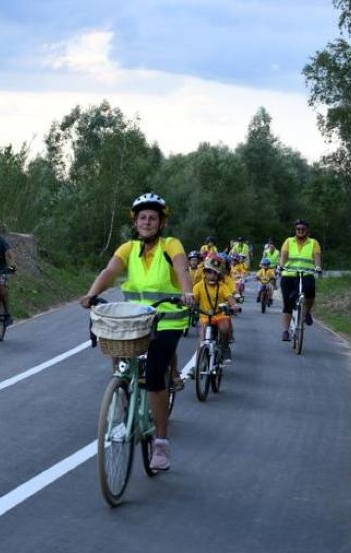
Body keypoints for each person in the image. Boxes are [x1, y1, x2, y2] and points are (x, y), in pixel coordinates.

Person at [80, 193, 194, 471]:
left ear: (161, 222)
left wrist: (187, 291)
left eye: (152, 218)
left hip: (168, 319)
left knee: (154, 374)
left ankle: (162, 443)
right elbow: (109, 271)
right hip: (136, 321)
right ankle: (124, 410)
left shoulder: (171, 245)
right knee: (120, 362)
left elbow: (181, 267)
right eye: (142, 217)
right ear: (135, 222)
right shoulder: (128, 248)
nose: (147, 222)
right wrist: (92, 294)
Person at [277, 219, 322, 341]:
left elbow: (317, 256)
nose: (300, 231)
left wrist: (318, 267)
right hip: (289, 274)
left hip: (306, 273)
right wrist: (281, 265)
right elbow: (284, 255)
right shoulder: (289, 241)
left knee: (311, 292)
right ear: (295, 230)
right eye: (298, 229)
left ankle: (307, 312)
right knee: (287, 303)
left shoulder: (313, 243)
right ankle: (285, 331)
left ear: (307, 231)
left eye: (303, 229)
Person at [192, 255, 241, 364]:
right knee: (202, 340)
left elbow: (229, 297)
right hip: (205, 316)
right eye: (210, 272)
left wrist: (234, 306)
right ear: (205, 272)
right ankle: (196, 366)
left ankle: (225, 348)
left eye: (215, 273)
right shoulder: (198, 286)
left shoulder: (223, 286)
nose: (212, 276)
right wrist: (190, 306)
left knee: (225, 328)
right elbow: (194, 300)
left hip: (220, 315)